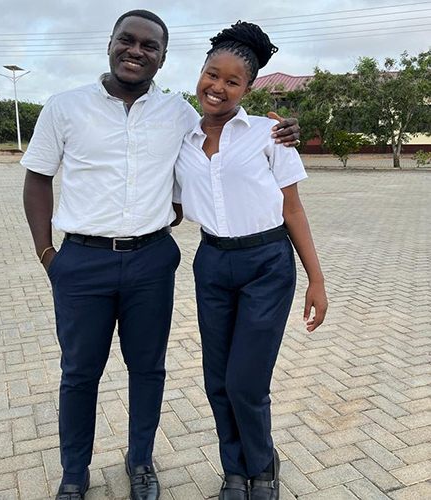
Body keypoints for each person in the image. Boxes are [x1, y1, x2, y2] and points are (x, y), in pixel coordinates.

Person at [22, 10, 301, 500]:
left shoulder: (178, 113)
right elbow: (38, 178)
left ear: (163, 58)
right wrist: (48, 254)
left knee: (148, 370)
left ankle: (142, 464)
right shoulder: (64, 107)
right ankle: (74, 473)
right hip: (81, 262)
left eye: (149, 46)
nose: (136, 51)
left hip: (151, 261)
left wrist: (282, 130)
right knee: (79, 373)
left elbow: (225, 125)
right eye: (127, 40)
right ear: (110, 43)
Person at [174, 21, 328, 500]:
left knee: (246, 381)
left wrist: (317, 280)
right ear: (201, 72)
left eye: (232, 81)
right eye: (211, 74)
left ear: (247, 88)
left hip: (267, 264)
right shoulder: (181, 137)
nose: (217, 87)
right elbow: (172, 205)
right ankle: (234, 471)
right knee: (217, 380)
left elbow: (292, 208)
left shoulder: (270, 134)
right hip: (211, 264)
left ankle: (263, 466)